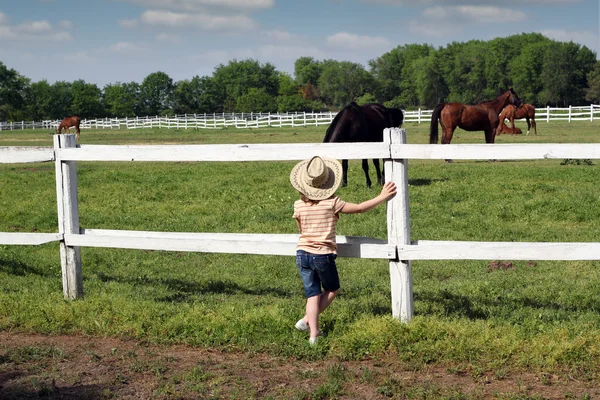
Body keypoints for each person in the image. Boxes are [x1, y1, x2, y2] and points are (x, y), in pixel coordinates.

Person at [289, 155, 397, 345]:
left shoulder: (298, 205)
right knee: (332, 289)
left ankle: (313, 333)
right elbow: (359, 209)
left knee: (312, 294)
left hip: (302, 254)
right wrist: (382, 196)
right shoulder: (332, 203)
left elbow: (301, 229)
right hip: (322, 255)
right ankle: (306, 321)